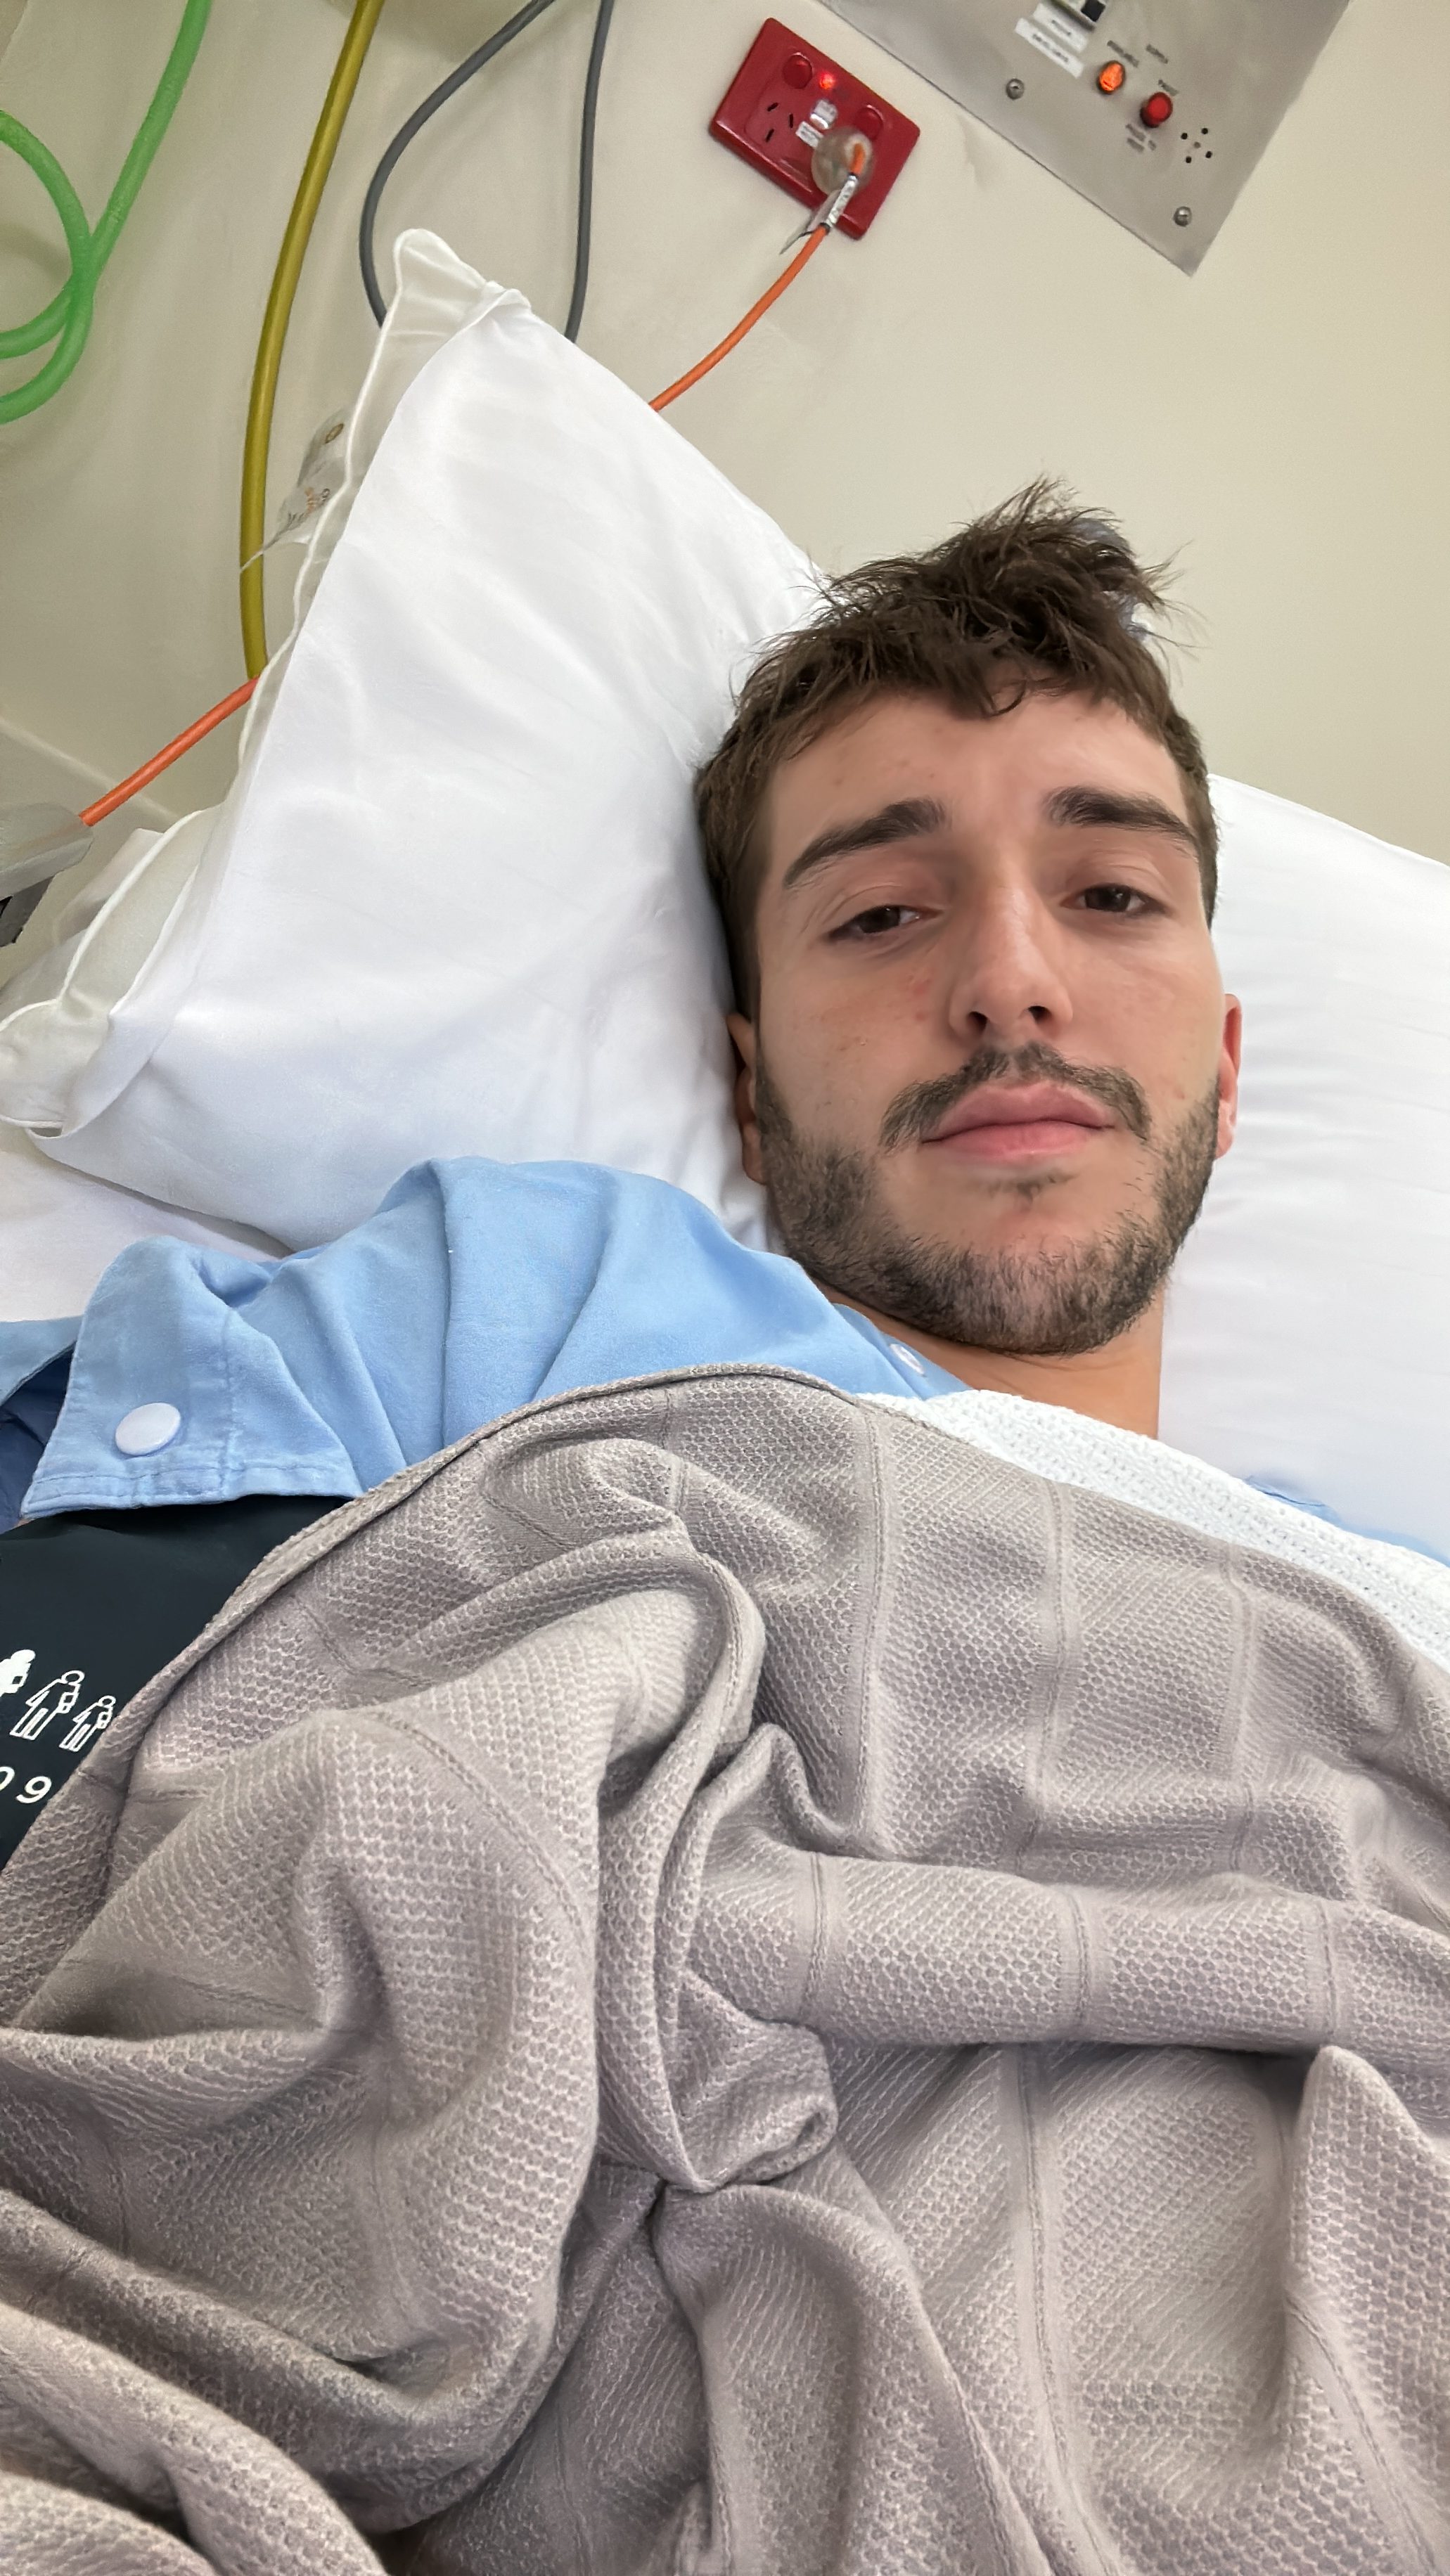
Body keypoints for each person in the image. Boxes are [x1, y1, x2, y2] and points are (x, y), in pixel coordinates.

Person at [0, 490, 1238, 1852]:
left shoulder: (1369, 1603)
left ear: (1226, 1070)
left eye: (1110, 893)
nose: (1009, 980)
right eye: (882, 911)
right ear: (750, 1092)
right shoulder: (545, 1294)